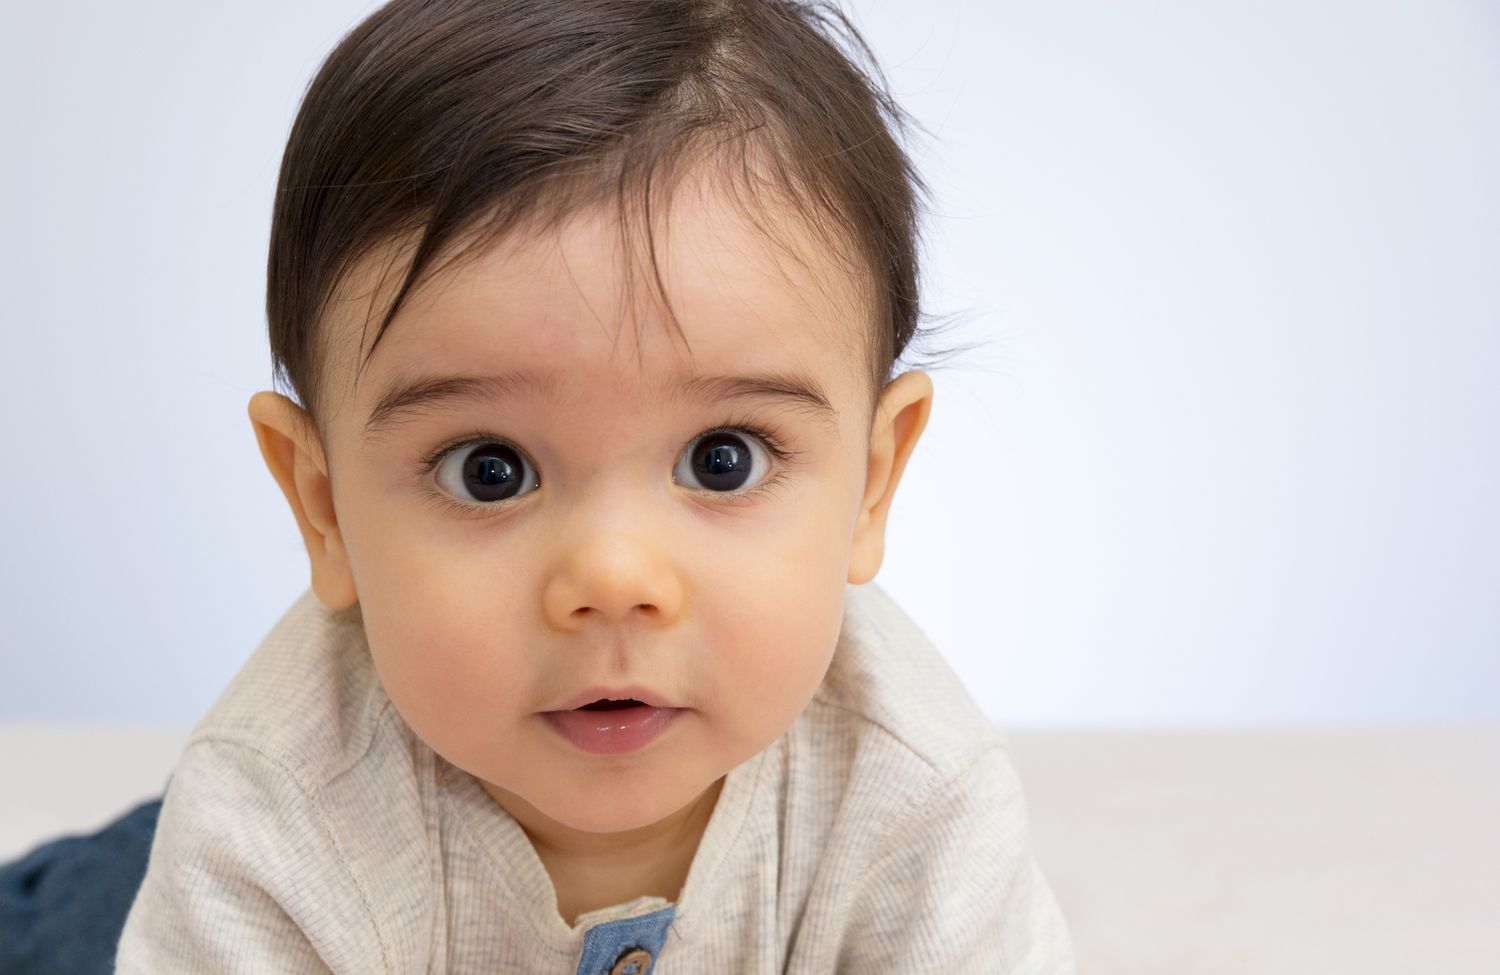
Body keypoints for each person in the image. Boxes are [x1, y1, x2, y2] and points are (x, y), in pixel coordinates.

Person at [7, 1, 1078, 971]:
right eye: (491, 471)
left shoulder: (915, 797)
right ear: (323, 505)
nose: (612, 579)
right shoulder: (273, 825)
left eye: (723, 459)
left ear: (873, 482)